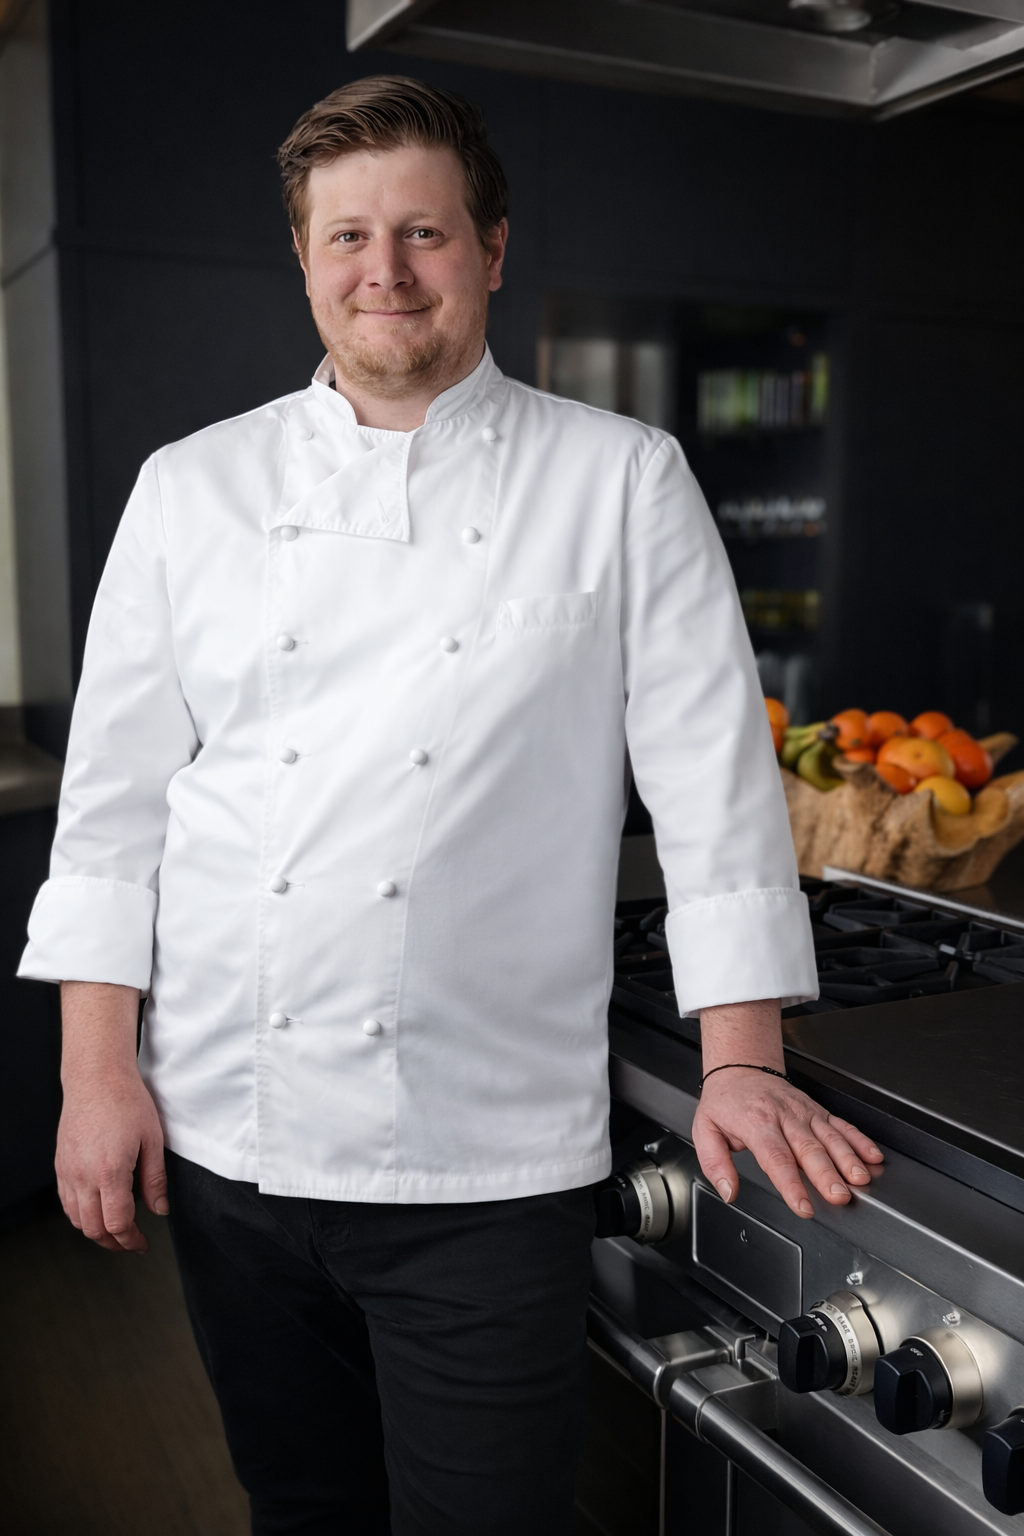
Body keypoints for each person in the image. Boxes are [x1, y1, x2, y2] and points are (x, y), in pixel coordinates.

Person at [19, 75, 882, 1536]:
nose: (385, 269)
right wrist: (96, 1074)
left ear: (491, 248)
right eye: (347, 235)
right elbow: (112, 812)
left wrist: (743, 1056)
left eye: (423, 230)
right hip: (228, 1134)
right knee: (302, 1507)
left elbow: (711, 783)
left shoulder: (619, 479)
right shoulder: (191, 490)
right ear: (302, 259)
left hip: (485, 1168)